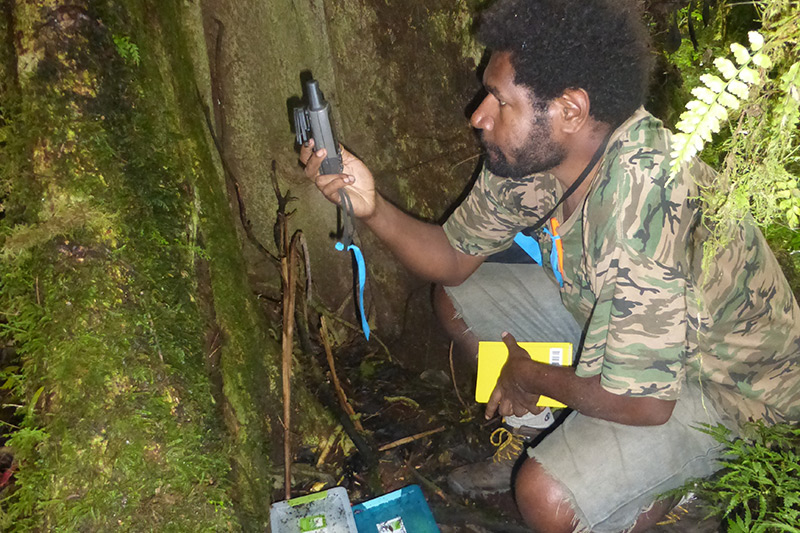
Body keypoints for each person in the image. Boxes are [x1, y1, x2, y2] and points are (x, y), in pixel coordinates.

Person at [300, 0, 800, 531]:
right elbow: (450, 259)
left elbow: (642, 402)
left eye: (498, 100)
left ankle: (689, 492)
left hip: (728, 394)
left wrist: (528, 372)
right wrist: (371, 207)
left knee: (545, 498)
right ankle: (541, 425)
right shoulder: (535, 154)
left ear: (570, 110)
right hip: (624, 329)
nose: (478, 116)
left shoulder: (643, 204)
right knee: (457, 301)